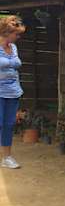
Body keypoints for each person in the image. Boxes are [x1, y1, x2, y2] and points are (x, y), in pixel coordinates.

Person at [0, 16, 25, 169]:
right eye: (16, 34)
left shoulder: (13, 48)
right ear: (7, 33)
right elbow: (14, 63)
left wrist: (5, 63)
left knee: (8, 125)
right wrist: (11, 63)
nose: (18, 37)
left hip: (13, 91)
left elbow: (18, 63)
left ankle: (6, 158)